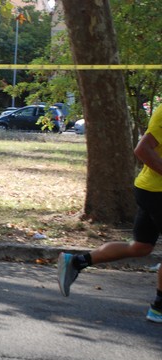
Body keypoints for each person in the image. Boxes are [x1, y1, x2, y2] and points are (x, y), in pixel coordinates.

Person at [57, 105, 162, 324]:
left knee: (141, 247)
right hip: (157, 192)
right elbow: (142, 150)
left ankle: (77, 262)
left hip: (149, 189)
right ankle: (159, 307)